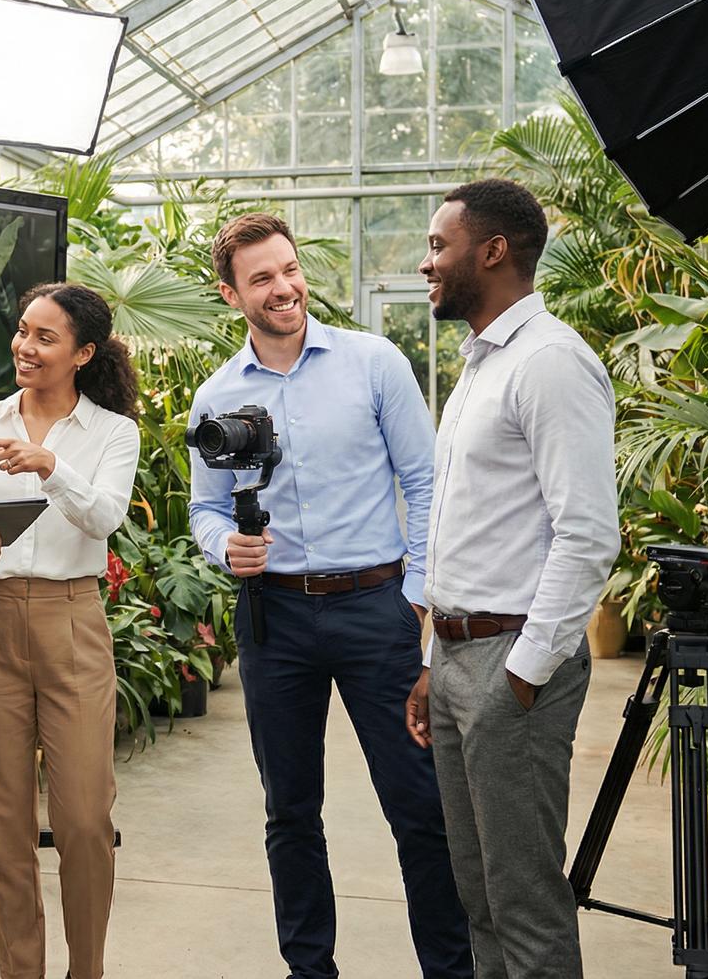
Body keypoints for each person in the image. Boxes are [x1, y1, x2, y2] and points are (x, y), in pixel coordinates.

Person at [188, 212, 473, 979]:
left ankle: (451, 971)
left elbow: (424, 482)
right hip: (272, 617)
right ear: (231, 293)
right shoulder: (216, 394)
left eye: (288, 269)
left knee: (419, 805)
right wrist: (228, 546)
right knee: (290, 810)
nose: (283, 287)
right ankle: (310, 969)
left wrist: (416, 599)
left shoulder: (374, 363)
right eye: (261, 278)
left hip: (375, 607)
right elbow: (205, 508)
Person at [404, 179, 621, 979]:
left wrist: (524, 675)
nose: (426, 263)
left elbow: (590, 533)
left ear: (492, 251)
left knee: (524, 900)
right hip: (460, 655)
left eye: (438, 245)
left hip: (511, 660)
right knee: (480, 895)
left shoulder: (551, 363)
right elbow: (464, 531)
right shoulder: (482, 365)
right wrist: (435, 661)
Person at [0, 282, 141, 979]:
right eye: (23, 331)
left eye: (45, 337)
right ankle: (19, 971)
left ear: (83, 353)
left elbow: (105, 517)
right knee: (3, 825)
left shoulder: (112, 433)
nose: (25, 346)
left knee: (86, 817)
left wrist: (50, 466)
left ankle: (84, 969)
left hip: (72, 619)